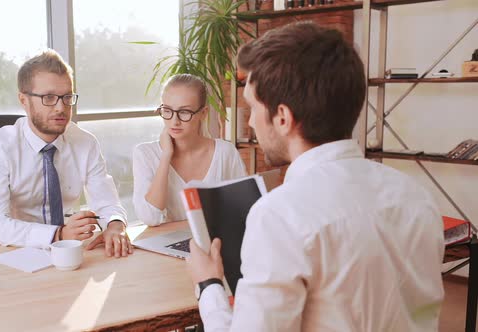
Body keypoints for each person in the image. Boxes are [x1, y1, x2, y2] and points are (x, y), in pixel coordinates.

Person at [187, 22, 444, 331]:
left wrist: (209, 285)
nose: (252, 122)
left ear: (282, 117)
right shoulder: (415, 195)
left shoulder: (280, 216)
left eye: (253, 108)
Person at [0, 49, 132, 258]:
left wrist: (115, 225)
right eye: (49, 97)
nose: (61, 108)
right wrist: (58, 234)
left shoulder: (85, 142)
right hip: (14, 254)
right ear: (24, 100)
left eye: (67, 97)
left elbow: (107, 202)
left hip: (69, 252)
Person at [132, 74, 247, 226]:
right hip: (163, 246)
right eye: (167, 110)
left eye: (184, 112)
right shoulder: (145, 154)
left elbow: (243, 209)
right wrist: (166, 156)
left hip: (215, 244)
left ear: (203, 113)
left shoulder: (225, 152)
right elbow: (150, 218)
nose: (174, 121)